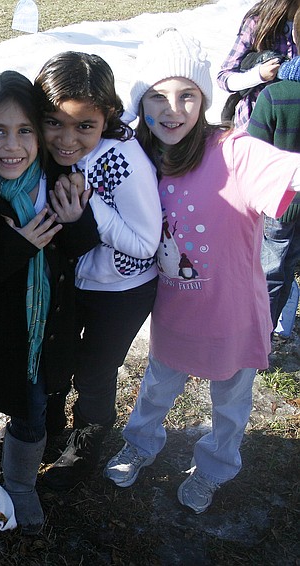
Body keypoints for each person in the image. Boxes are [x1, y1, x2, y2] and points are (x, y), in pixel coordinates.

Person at [104, 28, 300, 514]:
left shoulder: (235, 153)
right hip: (172, 315)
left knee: (230, 407)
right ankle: (141, 444)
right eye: (157, 96)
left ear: (205, 98)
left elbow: (287, 171)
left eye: (187, 95)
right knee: (155, 388)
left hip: (232, 316)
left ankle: (214, 467)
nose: (173, 109)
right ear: (141, 102)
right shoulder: (140, 159)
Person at [0, 71, 99, 532]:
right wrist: (19, 248)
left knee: (32, 409)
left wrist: (75, 221)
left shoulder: (58, 180)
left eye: (24, 130)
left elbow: (77, 247)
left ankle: (19, 484)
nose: (12, 145)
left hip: (44, 332)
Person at [34, 52, 162, 490]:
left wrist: (93, 212)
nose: (67, 139)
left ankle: (85, 450)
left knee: (95, 371)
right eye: (54, 122)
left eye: (83, 126)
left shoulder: (122, 161)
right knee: (60, 353)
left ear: (105, 117)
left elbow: (146, 244)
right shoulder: (44, 150)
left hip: (123, 288)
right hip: (77, 279)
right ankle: (49, 425)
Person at [247, 10, 300, 338]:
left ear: (294, 38)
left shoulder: (274, 96)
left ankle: (256, 335)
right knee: (288, 266)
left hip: (278, 204)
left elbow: (251, 157)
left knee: (269, 272)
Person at [217, 0, 299, 129]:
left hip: (292, 124)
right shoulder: (257, 23)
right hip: (255, 122)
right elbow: (224, 78)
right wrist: (258, 75)